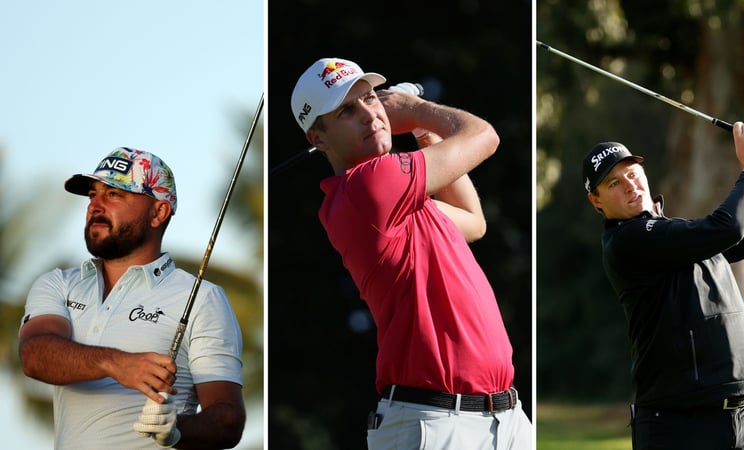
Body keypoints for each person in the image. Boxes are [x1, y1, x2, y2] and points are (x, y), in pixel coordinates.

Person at [289, 57, 532, 449]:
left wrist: (420, 129)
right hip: (435, 424)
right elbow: (484, 136)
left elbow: (473, 220)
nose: (371, 114)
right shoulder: (367, 187)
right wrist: (417, 109)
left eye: (370, 98)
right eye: (347, 111)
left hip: (503, 418)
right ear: (318, 137)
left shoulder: (395, 202)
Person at [18, 147, 246, 449]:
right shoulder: (58, 283)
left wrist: (176, 429)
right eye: (92, 195)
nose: (95, 205)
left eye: (114, 194)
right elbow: (34, 356)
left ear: (158, 213)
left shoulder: (203, 298)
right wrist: (117, 364)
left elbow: (228, 418)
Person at [582, 123, 744, 449]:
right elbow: (729, 228)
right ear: (596, 201)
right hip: (682, 423)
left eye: (632, 174)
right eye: (614, 183)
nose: (630, 186)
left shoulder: (674, 234)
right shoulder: (628, 242)